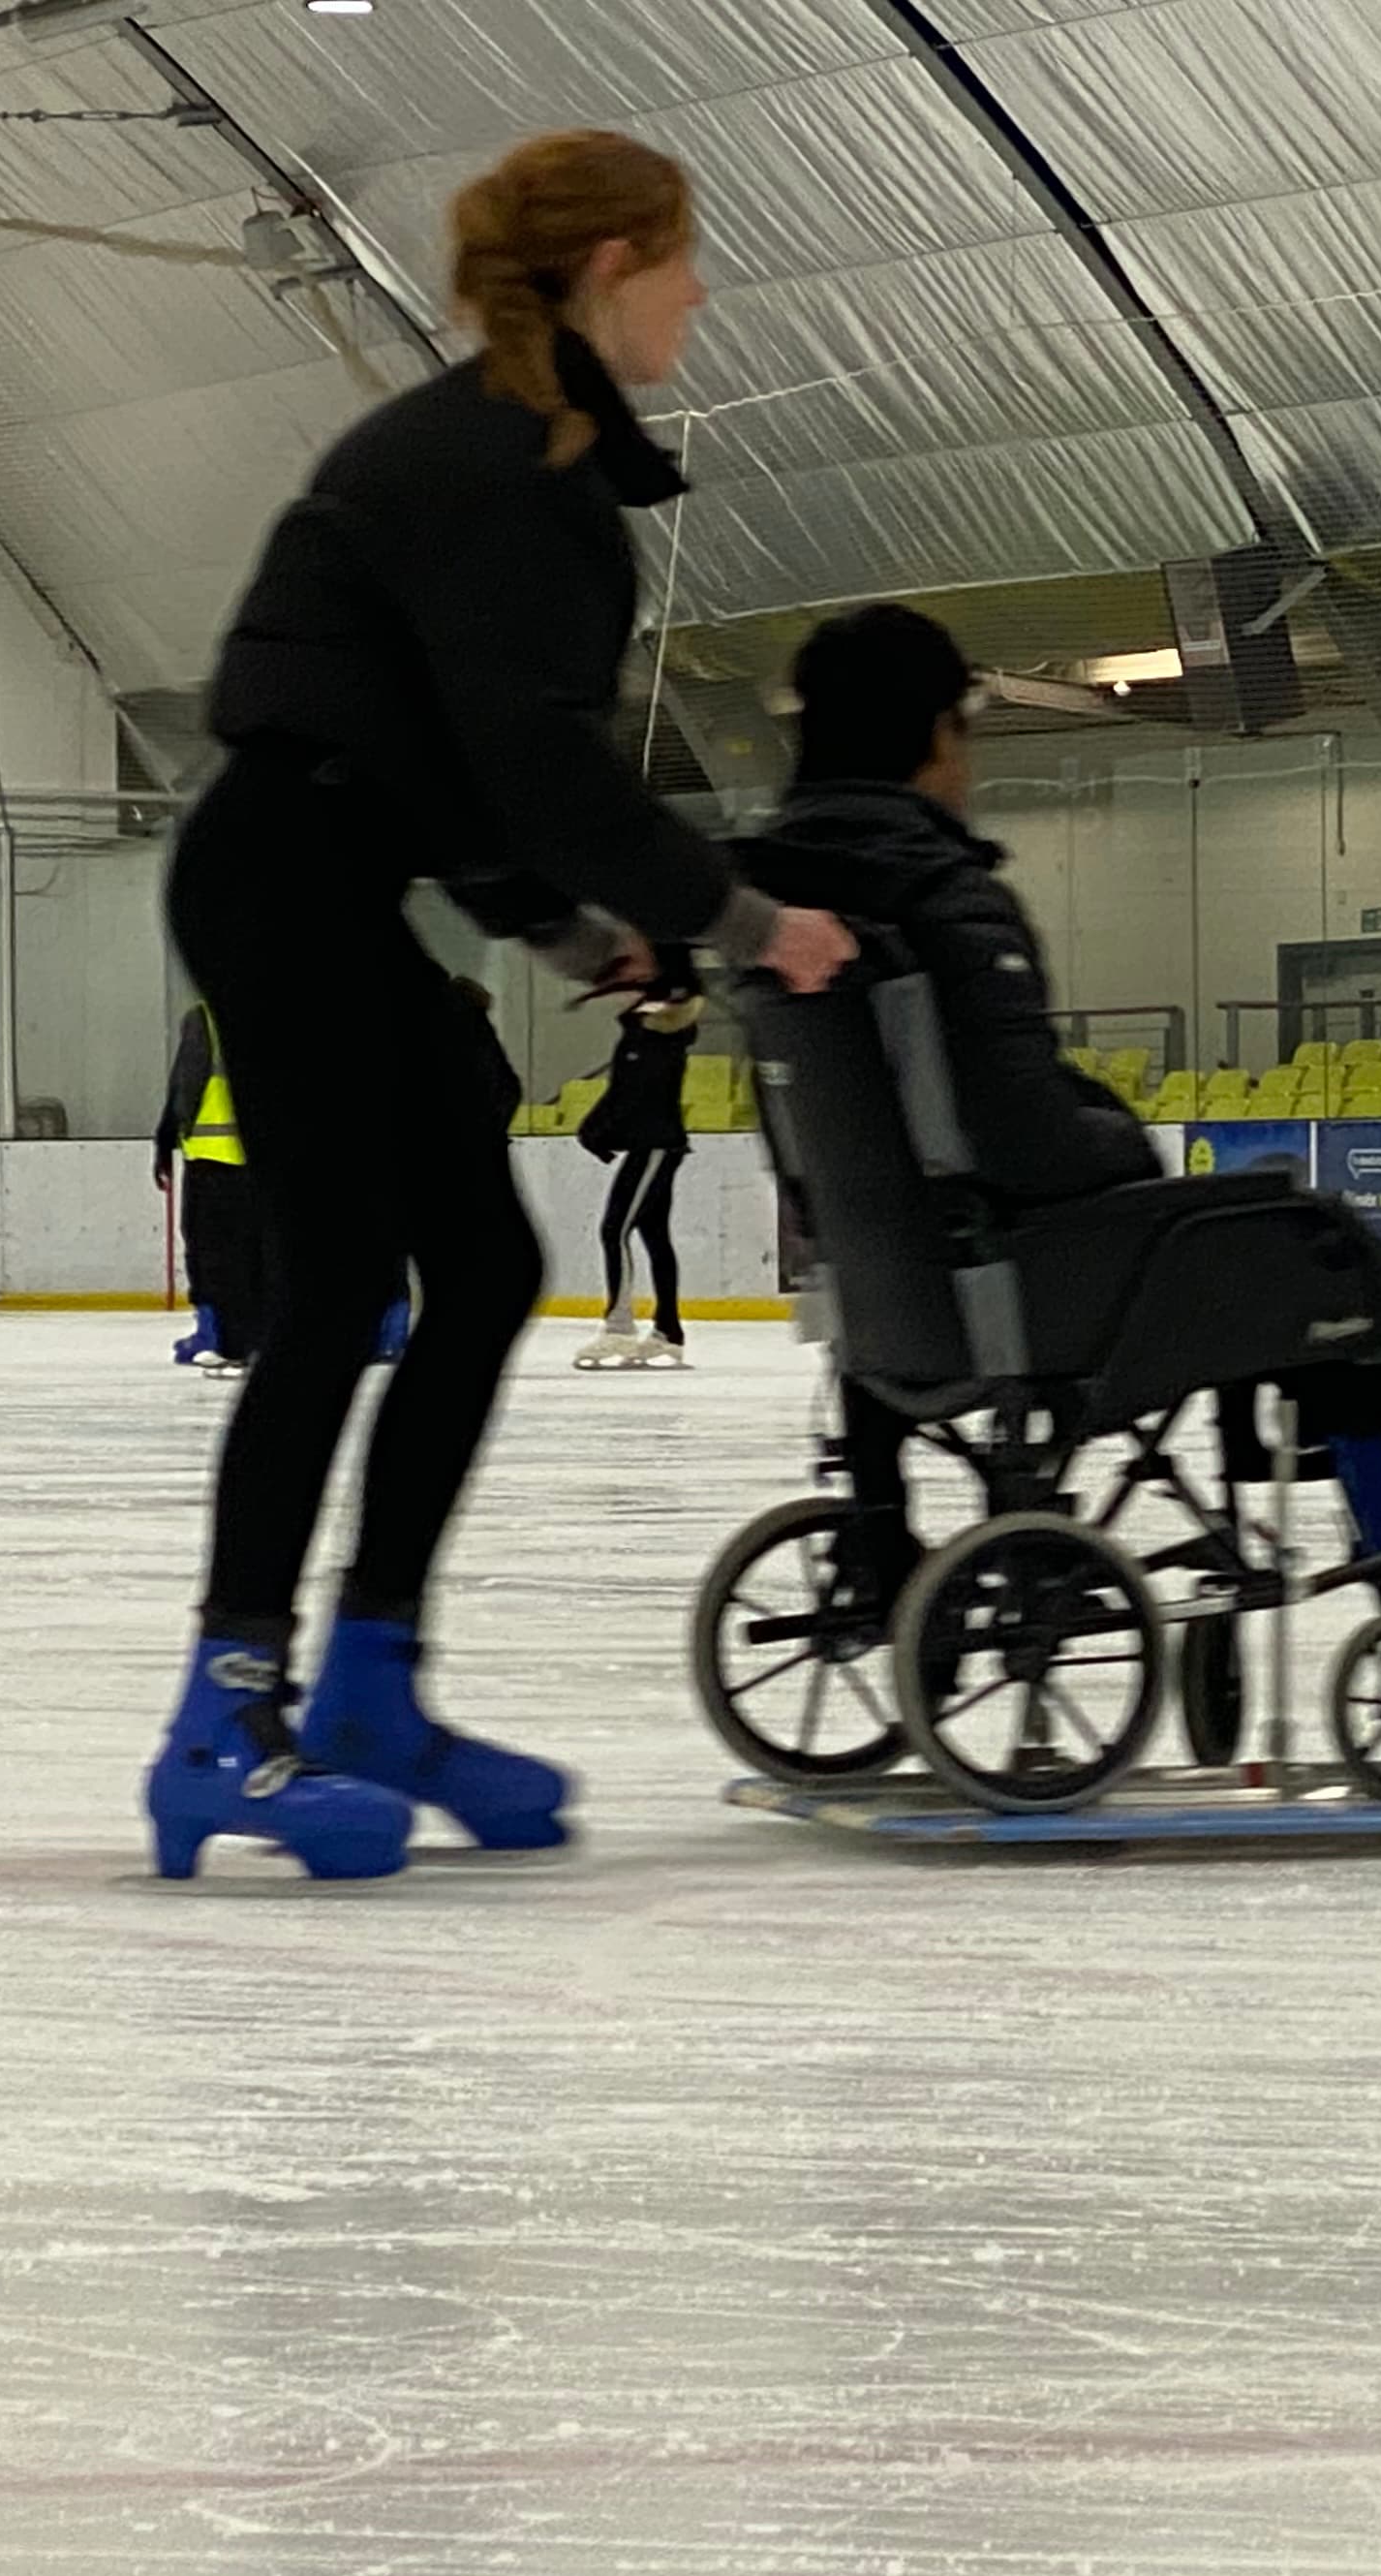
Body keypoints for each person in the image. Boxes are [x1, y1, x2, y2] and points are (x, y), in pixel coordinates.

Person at [147, 126, 854, 1881]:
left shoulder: (510, 453)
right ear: (611, 262)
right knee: (336, 1294)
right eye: (684, 259)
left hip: (330, 871)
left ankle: (375, 1681)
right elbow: (531, 767)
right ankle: (220, 1719)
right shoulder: (499, 465)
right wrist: (755, 920)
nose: (702, 292)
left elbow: (446, 760)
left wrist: (561, 935)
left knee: (474, 1266)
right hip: (280, 874)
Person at [742, 604, 1381, 1659]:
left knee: (1286, 1246)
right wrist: (1126, 1146)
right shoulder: (939, 896)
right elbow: (1027, 1141)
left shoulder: (771, 915)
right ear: (933, 737)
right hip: (1025, 1288)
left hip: (889, 1295)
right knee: (1317, 1236)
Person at [574, 967, 698, 1369]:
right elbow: (623, 1096)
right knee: (652, 1234)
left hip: (656, 1146)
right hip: (652, 1145)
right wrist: (598, 1132)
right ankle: (668, 1331)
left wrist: (597, 1131)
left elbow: (630, 1098)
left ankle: (619, 1326)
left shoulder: (656, 1038)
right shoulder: (639, 1036)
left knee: (615, 1229)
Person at [155, 1001, 264, 1374]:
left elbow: (187, 1082)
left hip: (213, 1160)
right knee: (255, 1254)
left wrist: (166, 1136)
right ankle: (250, 1339)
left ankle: (225, 1341)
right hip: (263, 1164)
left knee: (214, 1256)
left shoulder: (206, 1017)